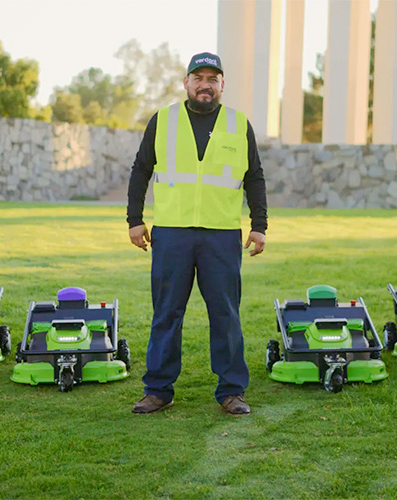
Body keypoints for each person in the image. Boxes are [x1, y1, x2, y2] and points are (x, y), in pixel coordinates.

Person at [126, 52, 268, 415]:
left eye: (213, 78)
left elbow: (254, 177)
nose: (205, 84)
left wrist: (259, 226)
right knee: (167, 313)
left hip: (221, 235)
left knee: (225, 314)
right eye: (198, 77)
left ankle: (231, 391)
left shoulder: (239, 124)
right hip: (172, 233)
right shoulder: (163, 120)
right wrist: (135, 219)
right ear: (186, 83)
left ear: (222, 85)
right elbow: (141, 169)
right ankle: (158, 389)